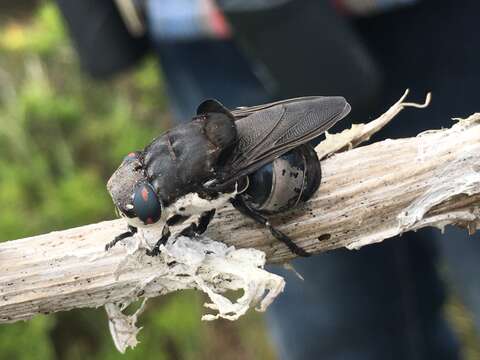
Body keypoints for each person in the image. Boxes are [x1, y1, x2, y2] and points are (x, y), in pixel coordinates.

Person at [56, 0, 480, 359]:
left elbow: (206, 200)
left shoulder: (181, 189)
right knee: (337, 336)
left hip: (424, 18)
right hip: (202, 34)